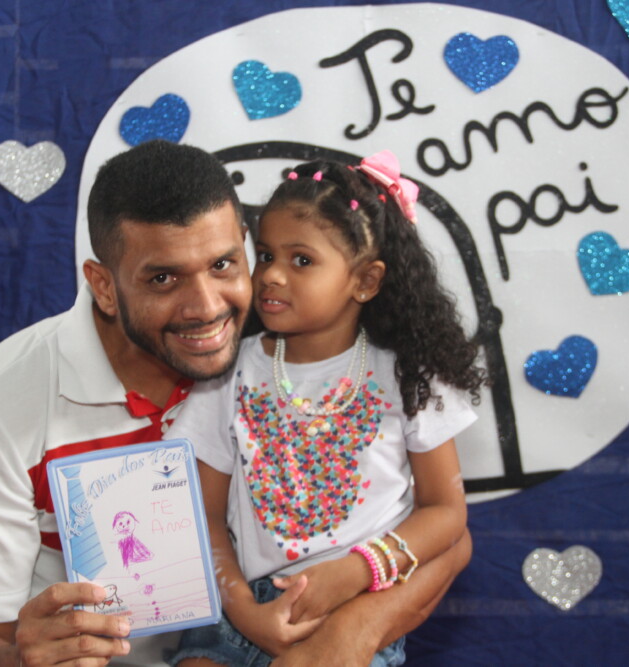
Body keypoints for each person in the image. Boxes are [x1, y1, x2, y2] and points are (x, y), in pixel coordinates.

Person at [0, 139, 472, 667]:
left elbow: (449, 534)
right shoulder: (4, 405)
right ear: (104, 286)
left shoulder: (280, 348)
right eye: (163, 278)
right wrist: (24, 660)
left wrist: (353, 631)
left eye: (223, 265)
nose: (207, 308)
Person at [166, 151, 487, 667]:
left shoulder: (407, 375)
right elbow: (203, 516)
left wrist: (357, 571)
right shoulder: (227, 372)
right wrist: (245, 612)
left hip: (354, 604)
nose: (271, 276)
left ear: (366, 281)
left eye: (302, 261)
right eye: (265, 255)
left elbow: (446, 513)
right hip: (235, 616)